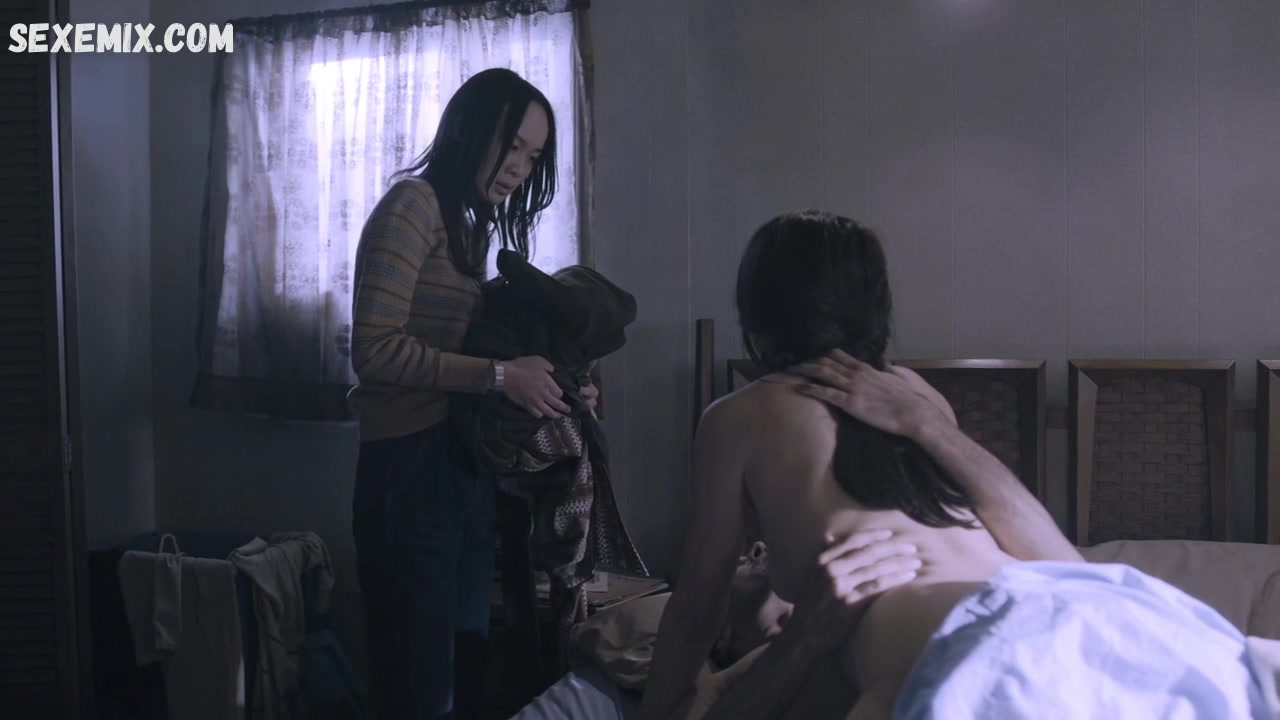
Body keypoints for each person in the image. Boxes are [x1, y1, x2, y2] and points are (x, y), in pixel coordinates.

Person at [638, 210, 1084, 720]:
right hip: (1065, 617)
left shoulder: (738, 417)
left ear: (756, 315)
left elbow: (697, 609)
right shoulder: (918, 395)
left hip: (954, 655)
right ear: (876, 306)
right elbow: (1066, 563)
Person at [347, 67, 597, 719]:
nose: (519, 167)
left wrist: (559, 388)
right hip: (406, 464)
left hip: (460, 463)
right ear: (469, 130)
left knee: (465, 656)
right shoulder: (413, 206)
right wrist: (501, 376)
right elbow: (373, 348)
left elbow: (475, 350)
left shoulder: (467, 227)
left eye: (533, 156)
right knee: (418, 676)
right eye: (512, 145)